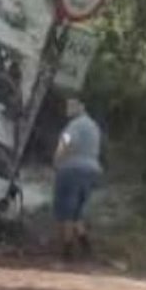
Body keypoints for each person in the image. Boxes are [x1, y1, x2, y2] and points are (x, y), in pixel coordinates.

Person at [52, 96, 103, 261]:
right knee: (77, 211)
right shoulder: (94, 126)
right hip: (92, 170)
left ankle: (67, 251)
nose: (68, 108)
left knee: (66, 209)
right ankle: (86, 247)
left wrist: (56, 159)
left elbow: (66, 141)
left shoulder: (74, 125)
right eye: (67, 105)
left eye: (72, 105)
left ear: (82, 106)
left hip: (72, 169)